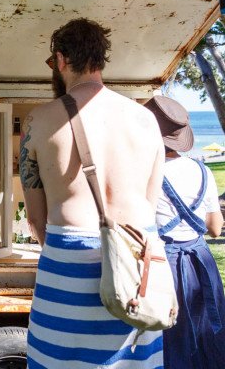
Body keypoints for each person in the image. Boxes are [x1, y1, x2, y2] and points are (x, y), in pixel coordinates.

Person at [21, 18, 165, 367]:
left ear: (60, 60)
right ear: (101, 60)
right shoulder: (146, 120)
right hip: (137, 270)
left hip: (68, 263)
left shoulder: (39, 121)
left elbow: (36, 218)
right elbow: (150, 204)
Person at [144, 95, 225, 368]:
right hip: (200, 263)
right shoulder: (201, 170)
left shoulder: (145, 172)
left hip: (162, 264)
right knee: (205, 339)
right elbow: (214, 228)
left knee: (168, 340)